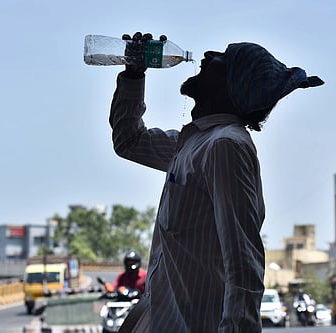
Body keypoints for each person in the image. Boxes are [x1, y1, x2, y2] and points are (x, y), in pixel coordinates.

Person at [109, 32, 324, 333]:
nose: (208, 55)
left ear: (232, 87)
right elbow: (129, 141)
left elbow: (243, 260)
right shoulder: (193, 144)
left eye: (222, 60)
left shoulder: (225, 146)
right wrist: (134, 74)